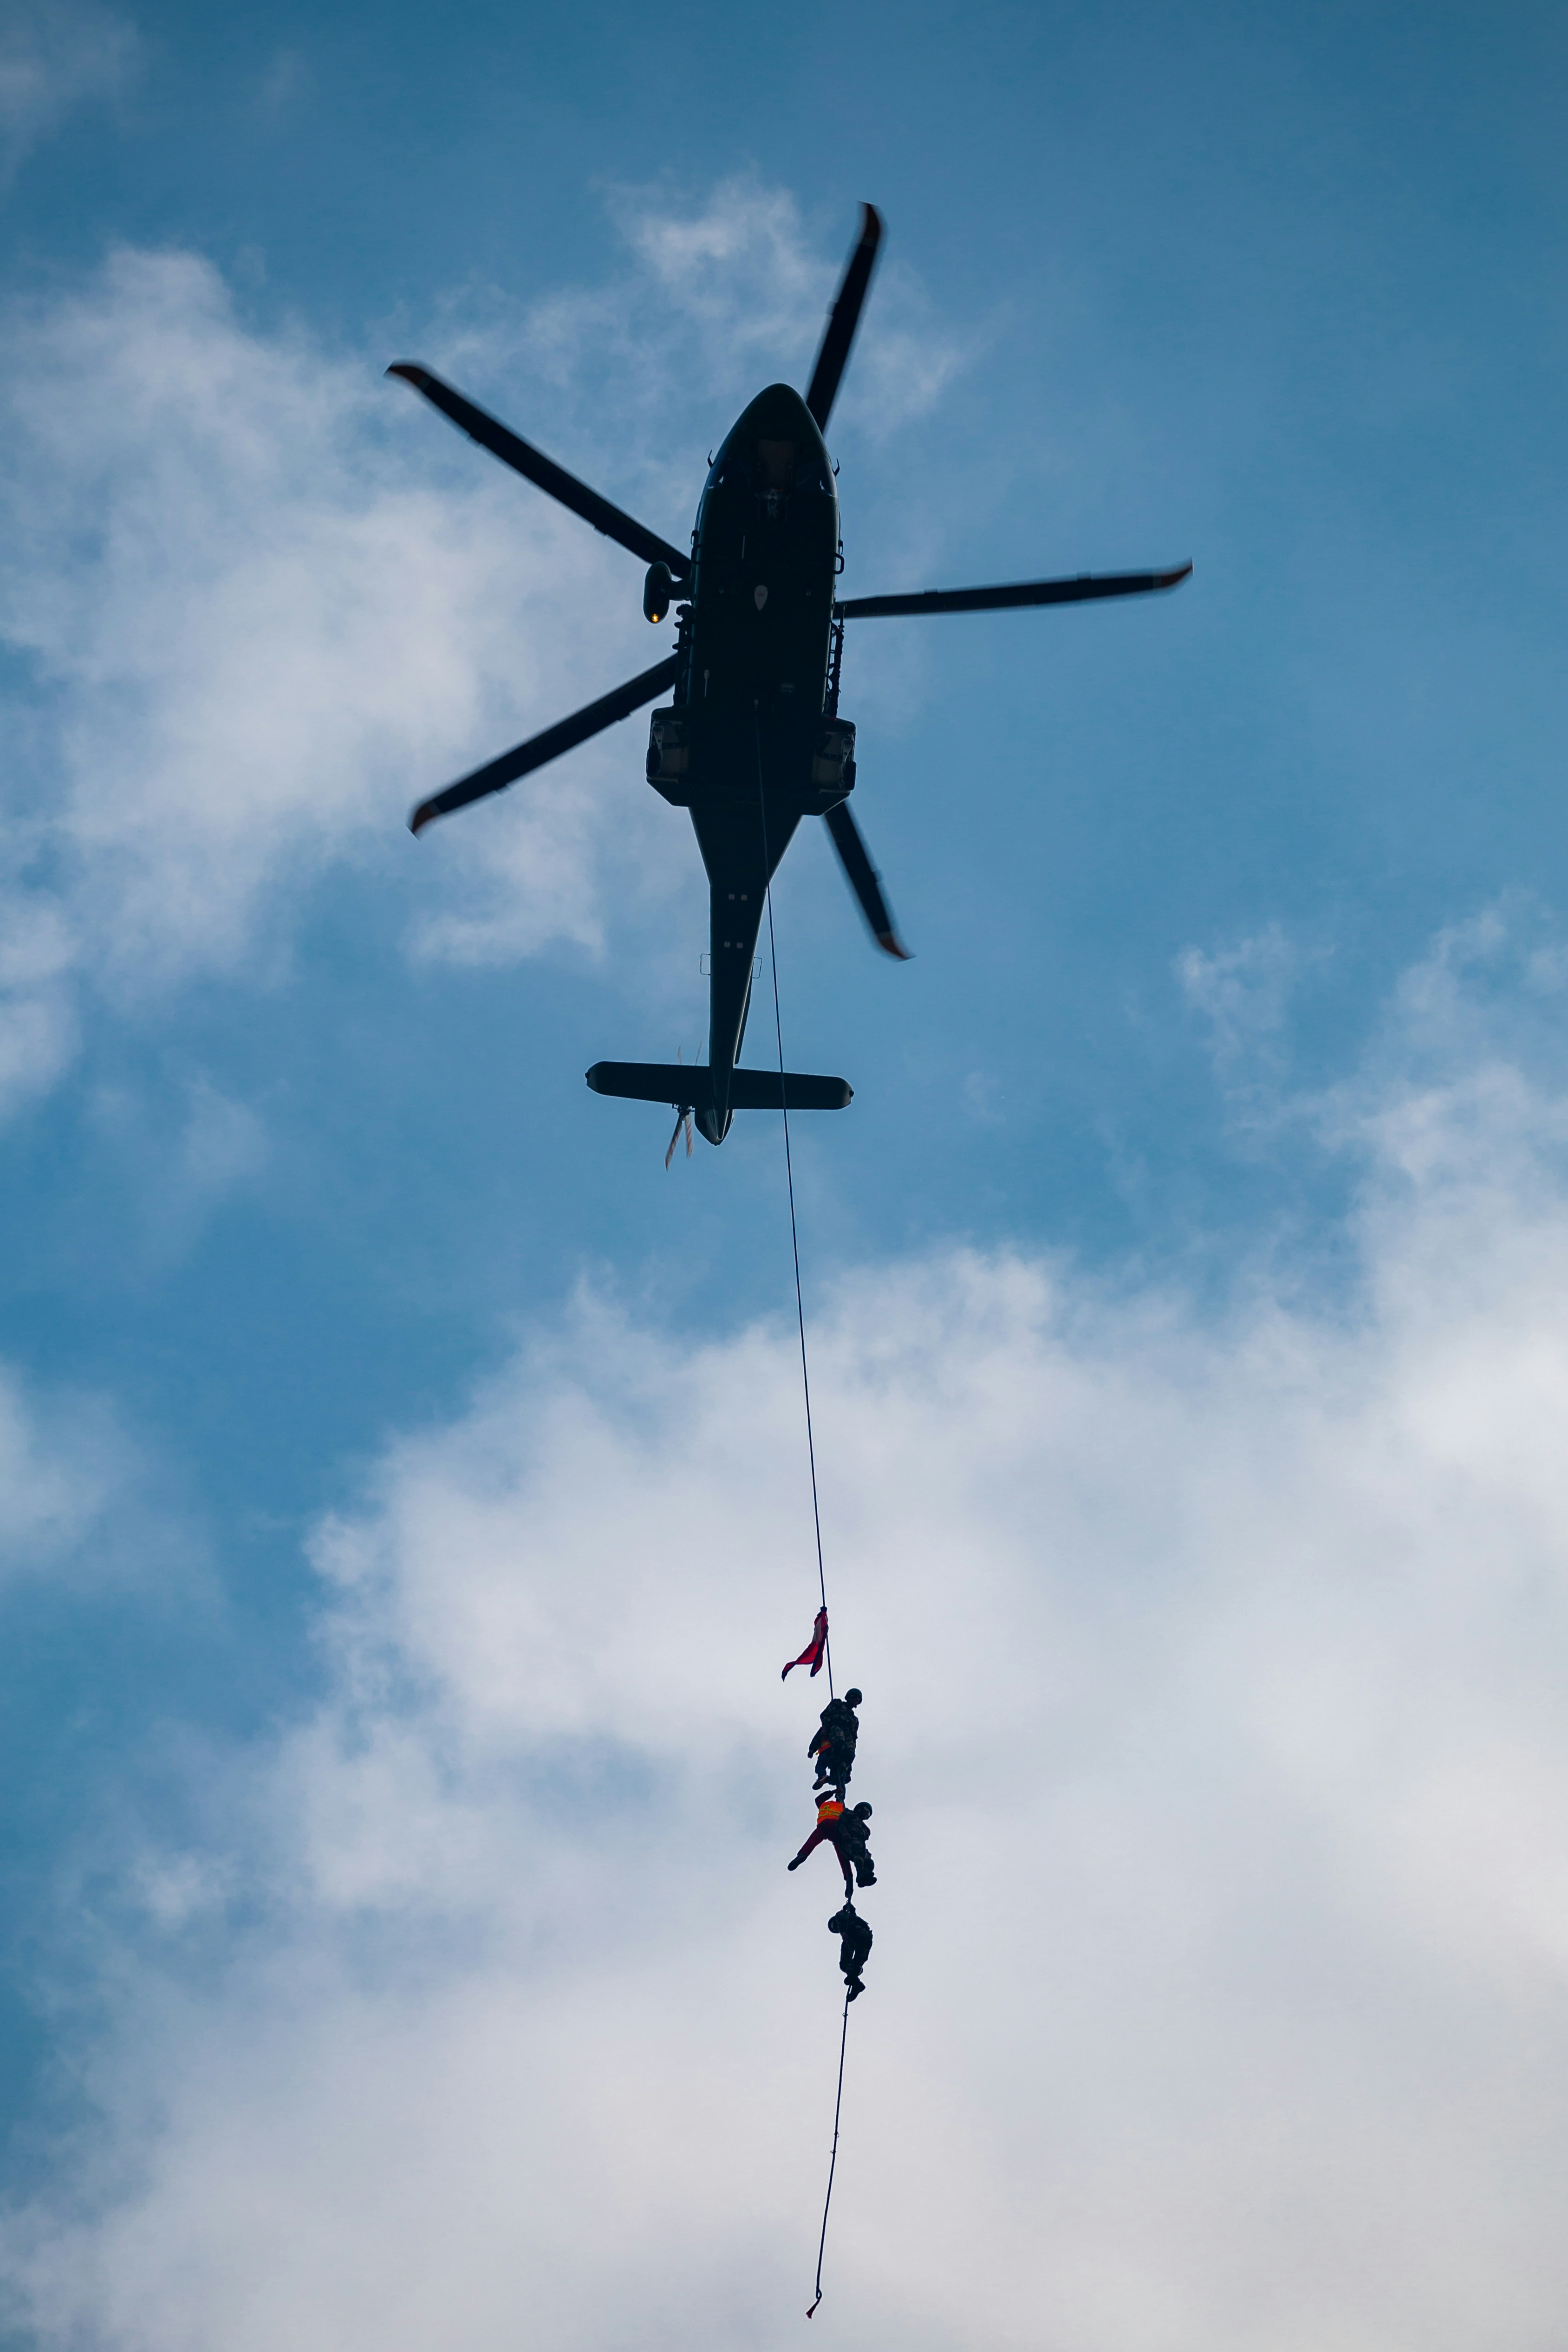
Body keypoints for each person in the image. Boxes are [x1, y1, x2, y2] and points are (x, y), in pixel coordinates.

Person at [787, 1792, 852, 1893]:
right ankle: (849, 1879)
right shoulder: (843, 1809)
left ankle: (802, 1855)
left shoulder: (824, 1805)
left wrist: (833, 1792)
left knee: (813, 1841)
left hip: (825, 1825)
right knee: (842, 1854)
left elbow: (818, 1799)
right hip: (837, 1829)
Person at [809, 1688, 862, 1790]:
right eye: (854, 1697)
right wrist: (825, 1727)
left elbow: (854, 1738)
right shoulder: (838, 1704)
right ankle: (828, 1771)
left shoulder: (855, 1720)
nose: (855, 1700)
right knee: (839, 1741)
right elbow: (825, 1715)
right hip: (835, 1728)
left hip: (848, 1737)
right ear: (848, 1698)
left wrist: (849, 1771)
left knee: (850, 1754)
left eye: (858, 1699)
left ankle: (837, 1779)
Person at [828, 1901, 873, 2000]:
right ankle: (856, 1984)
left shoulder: (841, 1917)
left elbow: (841, 1919)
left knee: (845, 1964)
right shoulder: (852, 1918)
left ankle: (856, 1982)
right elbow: (853, 1916)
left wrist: (843, 1933)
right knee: (856, 1967)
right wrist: (851, 1909)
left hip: (856, 1935)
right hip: (866, 1938)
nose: (837, 1930)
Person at [835, 1800, 876, 1888]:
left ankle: (864, 1878)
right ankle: (860, 1874)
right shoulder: (850, 1814)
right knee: (860, 1852)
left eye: (868, 1814)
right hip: (848, 1841)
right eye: (866, 1811)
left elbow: (865, 1836)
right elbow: (841, 1824)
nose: (866, 1814)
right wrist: (845, 1833)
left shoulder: (862, 1826)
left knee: (869, 1863)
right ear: (859, 1809)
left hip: (858, 1844)